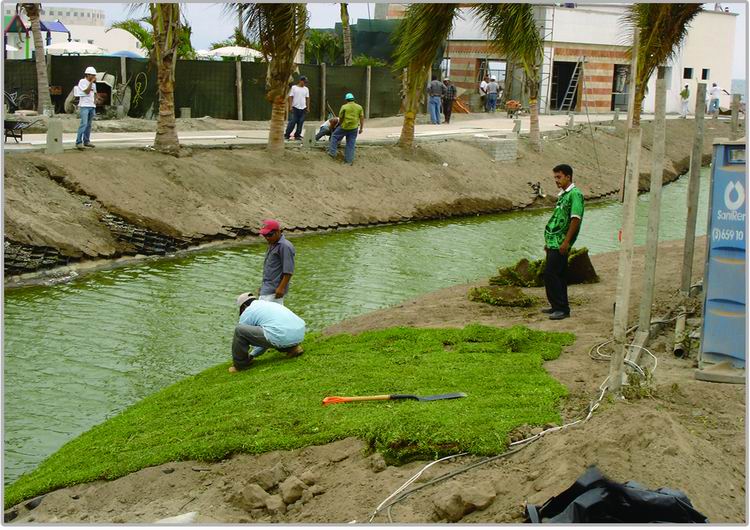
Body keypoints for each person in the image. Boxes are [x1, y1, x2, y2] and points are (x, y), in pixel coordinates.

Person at [542, 164, 584, 321]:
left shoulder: (575, 195)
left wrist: (566, 242)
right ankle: (556, 305)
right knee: (555, 274)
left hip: (561, 243)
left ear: (568, 177)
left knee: (552, 274)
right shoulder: (563, 195)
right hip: (554, 242)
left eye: (559, 177)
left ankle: (562, 308)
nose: (556, 180)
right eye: (555, 177)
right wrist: (549, 241)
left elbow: (575, 219)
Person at [229, 292, 306, 373]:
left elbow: (242, 336)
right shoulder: (268, 304)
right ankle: (293, 348)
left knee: (239, 330)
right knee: (275, 332)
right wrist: (253, 355)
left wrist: (249, 356)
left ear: (243, 307)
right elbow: (265, 338)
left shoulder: (248, 311)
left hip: (281, 335)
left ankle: (240, 365)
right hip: (300, 334)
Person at [259, 219, 295, 305]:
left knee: (265, 314)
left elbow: (288, 271)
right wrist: (263, 287)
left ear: (278, 232)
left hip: (274, 291)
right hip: (267, 289)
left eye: (270, 235)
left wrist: (281, 288)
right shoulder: (272, 244)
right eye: (265, 235)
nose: (267, 237)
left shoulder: (284, 246)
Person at [328, 93, 364, 165]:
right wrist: (361, 128)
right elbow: (362, 118)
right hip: (354, 128)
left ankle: (332, 152)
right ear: (353, 99)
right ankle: (349, 161)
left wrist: (339, 124)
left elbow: (341, 118)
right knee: (351, 144)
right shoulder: (359, 107)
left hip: (344, 127)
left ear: (346, 99)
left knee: (334, 136)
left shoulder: (344, 107)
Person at [75, 66, 97, 150]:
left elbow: (94, 93)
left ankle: (86, 141)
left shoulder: (94, 84)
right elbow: (87, 91)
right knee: (83, 124)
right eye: (92, 75)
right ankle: (78, 142)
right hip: (84, 106)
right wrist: (91, 82)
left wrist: (95, 101)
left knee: (89, 125)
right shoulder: (82, 82)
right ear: (88, 75)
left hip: (91, 106)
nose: (94, 77)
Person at [284, 76, 310, 140]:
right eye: (304, 82)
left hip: (303, 108)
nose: (305, 83)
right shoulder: (294, 88)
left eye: (306, 82)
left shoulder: (306, 89)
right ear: (301, 81)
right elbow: (290, 97)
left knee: (301, 122)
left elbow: (307, 98)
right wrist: (290, 106)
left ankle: (297, 135)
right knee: (292, 121)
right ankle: (287, 134)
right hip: (295, 107)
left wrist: (307, 107)